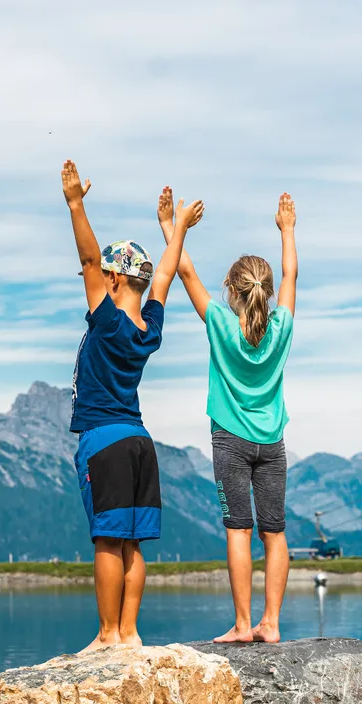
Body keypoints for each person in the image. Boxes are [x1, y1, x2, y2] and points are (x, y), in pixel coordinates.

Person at [63, 160, 203, 652]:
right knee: (133, 543)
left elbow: (85, 257)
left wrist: (76, 204)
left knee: (106, 538)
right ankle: (130, 632)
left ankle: (106, 636)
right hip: (142, 443)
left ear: (115, 282)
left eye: (104, 276)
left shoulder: (106, 322)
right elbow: (164, 272)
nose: (98, 279)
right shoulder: (150, 329)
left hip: (105, 440)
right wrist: (177, 228)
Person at [159, 187, 297, 643]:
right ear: (267, 291)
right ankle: (271, 624)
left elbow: (184, 272)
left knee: (238, 530)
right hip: (271, 442)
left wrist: (171, 227)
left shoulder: (219, 322)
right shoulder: (280, 328)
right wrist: (287, 229)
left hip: (230, 443)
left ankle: (242, 625)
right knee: (274, 533)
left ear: (232, 292)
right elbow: (293, 273)